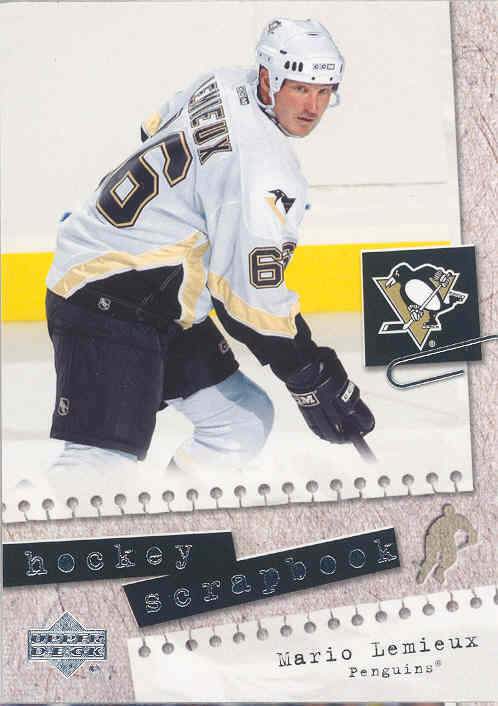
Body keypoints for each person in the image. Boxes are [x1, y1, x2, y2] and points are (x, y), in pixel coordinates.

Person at [45, 17, 374, 476]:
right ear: (268, 78)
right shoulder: (264, 173)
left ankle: (178, 512)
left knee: (241, 422)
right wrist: (308, 369)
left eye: (324, 92)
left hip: (144, 290)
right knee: (100, 464)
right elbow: (246, 301)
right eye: (300, 89)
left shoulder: (220, 81)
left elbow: (150, 130)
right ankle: (34, 522)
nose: (312, 106)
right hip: (108, 295)